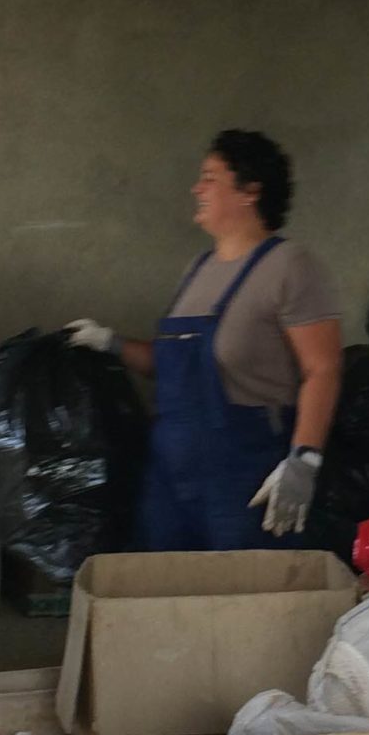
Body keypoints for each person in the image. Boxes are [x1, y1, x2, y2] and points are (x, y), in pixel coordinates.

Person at [66, 130, 342, 551]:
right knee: (163, 582)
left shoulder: (289, 266)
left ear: (250, 191)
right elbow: (170, 367)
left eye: (210, 178)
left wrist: (305, 458)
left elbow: (322, 368)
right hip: (170, 475)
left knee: (243, 586)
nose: (197, 189)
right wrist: (109, 342)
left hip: (243, 474)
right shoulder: (198, 269)